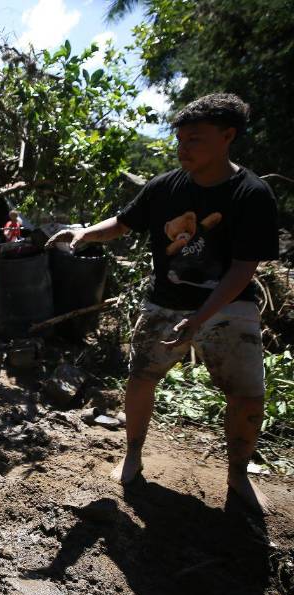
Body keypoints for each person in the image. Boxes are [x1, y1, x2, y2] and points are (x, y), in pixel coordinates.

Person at [46, 93, 278, 513]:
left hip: (229, 306)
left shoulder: (251, 194)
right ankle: (133, 455)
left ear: (227, 137)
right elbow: (123, 222)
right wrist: (86, 233)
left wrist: (199, 319)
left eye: (194, 140)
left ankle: (238, 475)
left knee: (247, 397)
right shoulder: (165, 187)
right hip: (164, 303)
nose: (182, 148)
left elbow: (243, 269)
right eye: (180, 139)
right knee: (141, 376)